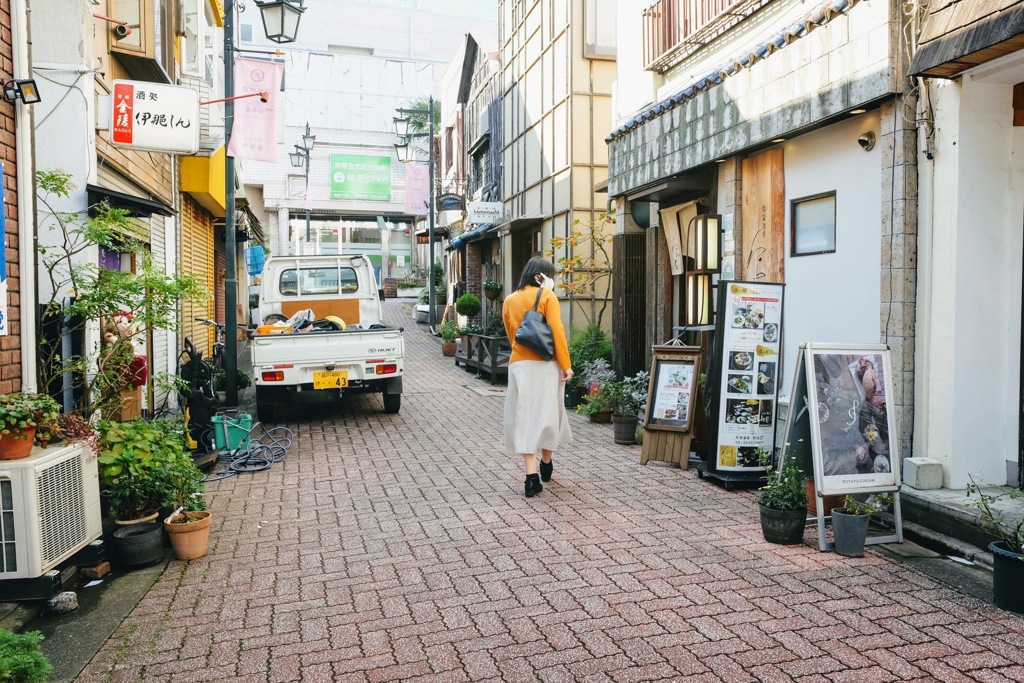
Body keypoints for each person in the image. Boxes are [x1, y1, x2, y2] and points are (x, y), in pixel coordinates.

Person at [502, 256, 573, 497]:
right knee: (549, 414)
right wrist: (566, 365)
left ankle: (531, 478)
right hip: (546, 364)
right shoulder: (547, 296)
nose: (551, 280)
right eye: (549, 275)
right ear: (539, 276)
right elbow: (558, 332)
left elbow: (512, 334)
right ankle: (546, 463)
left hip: (519, 365)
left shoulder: (510, 300)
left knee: (525, 417)